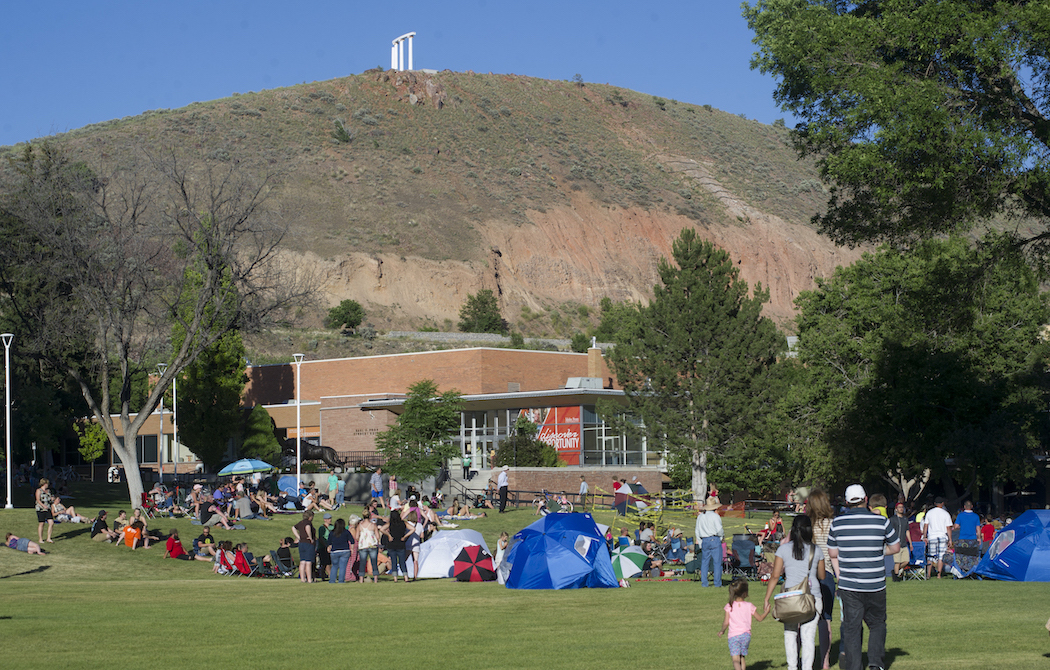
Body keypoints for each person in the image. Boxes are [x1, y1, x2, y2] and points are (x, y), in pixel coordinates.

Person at [827, 484, 900, 670]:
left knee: (852, 628)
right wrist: (877, 552)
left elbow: (833, 553)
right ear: (865, 499)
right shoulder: (881, 521)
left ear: (846, 502)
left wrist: (840, 574)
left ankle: (854, 666)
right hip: (875, 583)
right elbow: (895, 547)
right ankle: (876, 664)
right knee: (877, 625)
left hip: (849, 585)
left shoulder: (837, 523)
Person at [763, 515, 825, 670]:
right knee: (808, 636)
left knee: (790, 634)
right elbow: (822, 576)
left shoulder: (783, 549)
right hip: (812, 596)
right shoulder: (816, 550)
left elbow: (775, 575)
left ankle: (792, 667)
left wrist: (767, 598)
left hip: (789, 597)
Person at [807, 488, 836, 670]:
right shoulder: (833, 524)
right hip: (829, 575)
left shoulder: (807, 525)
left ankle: (805, 660)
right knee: (826, 620)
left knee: (806, 619)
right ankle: (825, 662)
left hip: (809, 575)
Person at [719, 579, 768, 670]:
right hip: (746, 636)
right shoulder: (749, 605)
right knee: (742, 657)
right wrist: (766, 612)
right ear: (745, 593)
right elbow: (760, 618)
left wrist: (722, 630)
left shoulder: (729, 606)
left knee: (735, 660)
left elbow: (726, 622)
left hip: (733, 636)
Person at [695, 497, 725, 587]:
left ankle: (704, 583)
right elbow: (719, 530)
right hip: (714, 539)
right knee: (717, 563)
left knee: (704, 562)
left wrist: (700, 542)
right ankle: (717, 583)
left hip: (704, 540)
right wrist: (721, 537)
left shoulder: (700, 516)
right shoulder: (715, 516)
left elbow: (697, 531)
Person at [922, 496, 954, 579]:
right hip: (942, 536)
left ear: (935, 503)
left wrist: (924, 536)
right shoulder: (945, 513)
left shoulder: (929, 513)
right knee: (941, 556)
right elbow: (948, 528)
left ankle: (928, 574)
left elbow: (926, 525)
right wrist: (950, 539)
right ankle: (939, 575)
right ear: (942, 503)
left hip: (932, 536)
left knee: (930, 556)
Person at [953, 500, 981, 573]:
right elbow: (978, 529)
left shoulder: (960, 515)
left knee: (962, 554)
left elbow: (956, 526)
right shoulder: (976, 516)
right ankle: (971, 569)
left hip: (962, 538)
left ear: (964, 507)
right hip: (973, 539)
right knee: (972, 555)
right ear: (972, 507)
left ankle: (962, 569)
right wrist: (979, 538)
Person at [889, 502, 912, 582]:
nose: (901, 508)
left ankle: (895, 571)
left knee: (906, 561)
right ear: (896, 509)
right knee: (897, 561)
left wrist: (910, 543)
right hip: (896, 543)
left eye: (902, 507)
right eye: (899, 507)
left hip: (904, 543)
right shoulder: (893, 519)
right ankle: (896, 576)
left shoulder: (905, 519)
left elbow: (907, 531)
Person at [326, 518, 353, 583]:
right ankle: (341, 580)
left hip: (334, 551)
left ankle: (332, 580)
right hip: (345, 550)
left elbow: (329, 542)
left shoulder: (332, 532)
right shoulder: (346, 532)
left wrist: (329, 547)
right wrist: (351, 549)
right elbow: (352, 541)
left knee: (334, 566)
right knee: (342, 567)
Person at [385, 510, 409, 583]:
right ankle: (406, 577)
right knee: (402, 562)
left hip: (392, 544)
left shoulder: (390, 524)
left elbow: (381, 529)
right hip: (401, 544)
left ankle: (395, 578)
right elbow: (413, 529)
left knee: (394, 562)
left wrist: (389, 535)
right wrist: (405, 536)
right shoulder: (403, 523)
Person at [292, 510, 316, 583]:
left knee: (302, 562)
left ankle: (303, 578)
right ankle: (309, 579)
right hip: (308, 543)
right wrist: (310, 537)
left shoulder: (300, 523)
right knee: (308, 562)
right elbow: (307, 527)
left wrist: (298, 537)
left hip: (301, 543)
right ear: (310, 517)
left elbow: (293, 528)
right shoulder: (308, 522)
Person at [35, 478, 55, 544]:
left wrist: (52, 499)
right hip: (40, 509)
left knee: (51, 522)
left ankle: (48, 538)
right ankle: (40, 539)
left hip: (48, 508)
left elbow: (50, 499)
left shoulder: (48, 491)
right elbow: (38, 500)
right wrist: (43, 506)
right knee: (41, 523)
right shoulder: (39, 490)